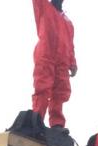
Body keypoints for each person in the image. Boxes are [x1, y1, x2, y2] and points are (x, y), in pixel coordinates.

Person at [31, 0, 77, 128]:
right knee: (42, 88)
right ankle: (37, 119)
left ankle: (57, 125)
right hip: (46, 55)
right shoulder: (43, 6)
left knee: (60, 93)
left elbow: (70, 45)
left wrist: (72, 63)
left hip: (63, 61)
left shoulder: (69, 23)